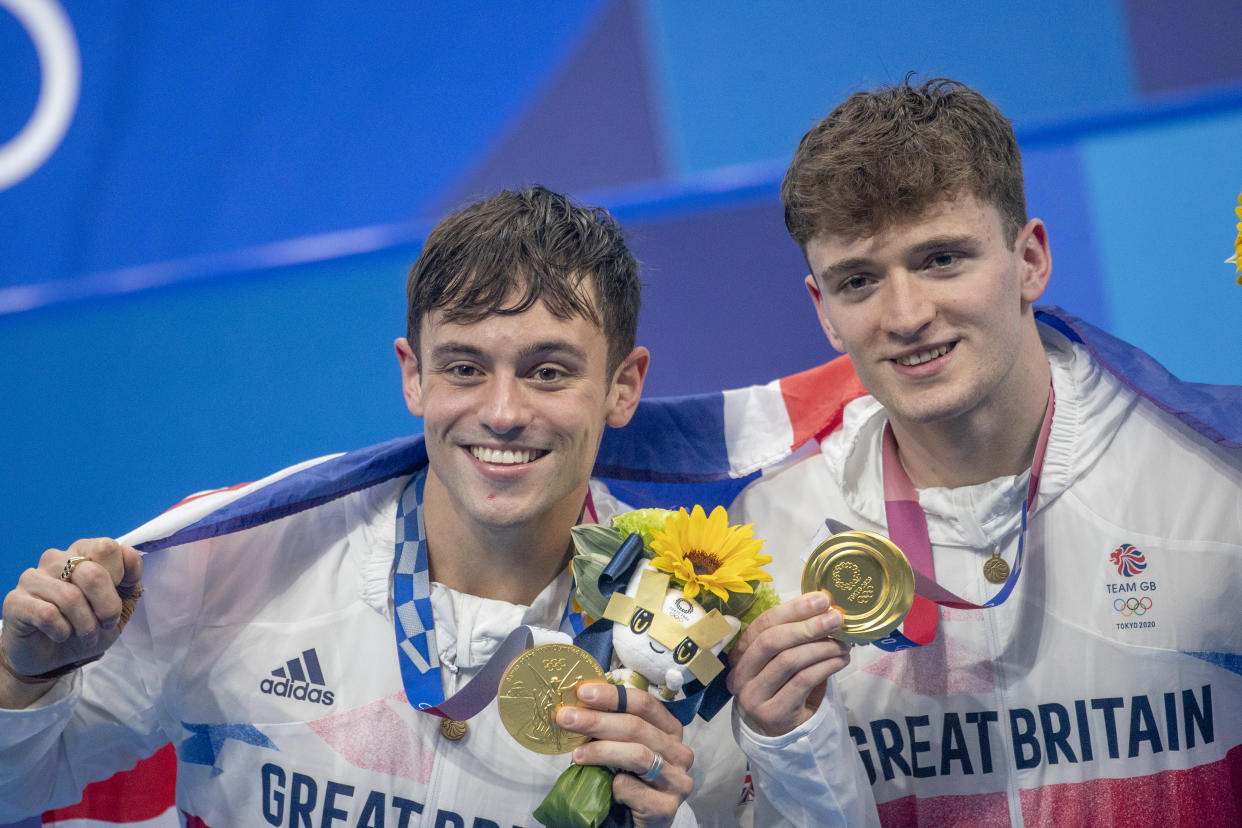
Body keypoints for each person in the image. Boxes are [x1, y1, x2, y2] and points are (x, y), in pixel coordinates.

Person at [0, 186, 877, 827]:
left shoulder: (700, 637)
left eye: (548, 370)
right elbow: (21, 788)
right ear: (412, 375)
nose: (501, 410)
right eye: (463, 367)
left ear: (624, 387)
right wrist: (23, 678)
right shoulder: (236, 560)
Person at [597, 77, 1242, 824]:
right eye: (861, 280)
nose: (906, 315)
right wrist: (784, 740)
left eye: (941, 260)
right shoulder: (771, 534)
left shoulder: (1213, 480)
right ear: (825, 312)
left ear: (1030, 259)